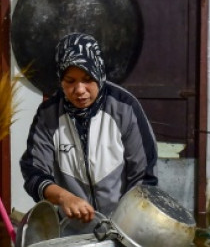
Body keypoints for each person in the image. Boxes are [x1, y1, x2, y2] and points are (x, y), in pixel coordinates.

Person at [20, 32, 158, 230]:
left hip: (123, 230)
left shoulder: (124, 108)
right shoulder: (48, 115)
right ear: (60, 79)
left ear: (99, 73)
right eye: (70, 81)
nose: (80, 90)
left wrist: (127, 226)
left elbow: (145, 176)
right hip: (70, 235)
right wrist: (64, 197)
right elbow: (34, 172)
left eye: (87, 79)